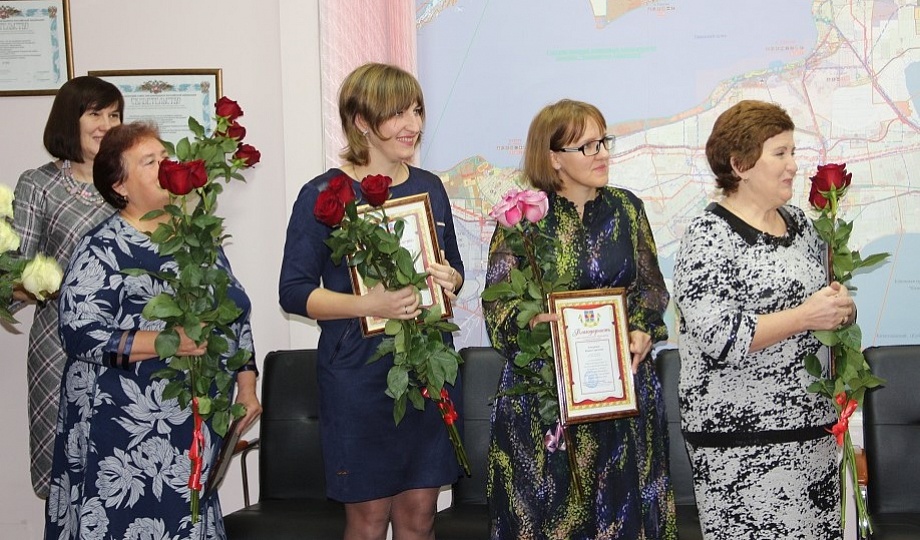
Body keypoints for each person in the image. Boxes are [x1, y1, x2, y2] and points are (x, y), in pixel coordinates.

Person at [44, 122, 262, 539]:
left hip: (192, 425)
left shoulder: (197, 240)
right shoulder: (102, 247)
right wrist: (169, 343)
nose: (165, 166)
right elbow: (79, 332)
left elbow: (234, 310)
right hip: (117, 431)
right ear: (120, 185)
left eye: (165, 157)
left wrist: (247, 387)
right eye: (149, 161)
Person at [279, 62, 465, 540]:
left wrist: (451, 278)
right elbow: (293, 291)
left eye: (417, 111)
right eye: (398, 113)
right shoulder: (323, 194)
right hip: (358, 378)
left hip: (424, 371)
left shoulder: (429, 187)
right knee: (367, 522)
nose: (413, 124)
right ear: (361, 121)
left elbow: (454, 270)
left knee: (421, 518)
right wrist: (367, 305)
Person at [483, 99, 677, 539]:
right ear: (554, 158)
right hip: (544, 401)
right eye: (587, 146)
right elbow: (498, 307)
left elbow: (651, 288)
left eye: (604, 142)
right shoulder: (521, 220)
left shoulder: (627, 209)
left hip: (622, 397)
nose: (602, 153)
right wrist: (534, 328)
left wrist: (642, 329)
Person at [673, 100, 854, 539]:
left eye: (793, 151)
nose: (793, 165)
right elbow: (721, 336)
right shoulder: (707, 236)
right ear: (740, 165)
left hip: (812, 437)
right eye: (780, 153)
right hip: (741, 447)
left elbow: (823, 305)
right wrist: (805, 316)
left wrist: (842, 308)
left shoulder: (800, 225)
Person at [11, 75, 124, 499]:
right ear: (68, 119)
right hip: (58, 347)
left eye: (114, 114)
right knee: (64, 476)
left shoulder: (129, 181)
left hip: (128, 344)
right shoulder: (38, 184)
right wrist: (54, 288)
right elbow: (11, 275)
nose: (107, 124)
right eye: (95, 113)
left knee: (120, 468)